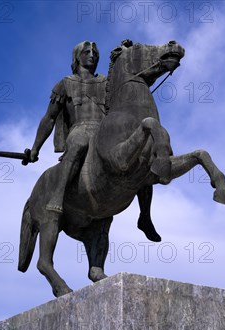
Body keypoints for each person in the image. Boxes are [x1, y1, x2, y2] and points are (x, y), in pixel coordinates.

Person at [28, 40, 161, 242]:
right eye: (87, 51)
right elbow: (49, 118)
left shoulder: (106, 83)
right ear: (77, 57)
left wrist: (125, 54)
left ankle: (145, 216)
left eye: (95, 52)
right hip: (79, 129)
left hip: (105, 132)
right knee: (80, 143)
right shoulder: (65, 84)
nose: (92, 55)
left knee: (139, 157)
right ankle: (57, 196)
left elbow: (129, 81)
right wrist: (35, 149)